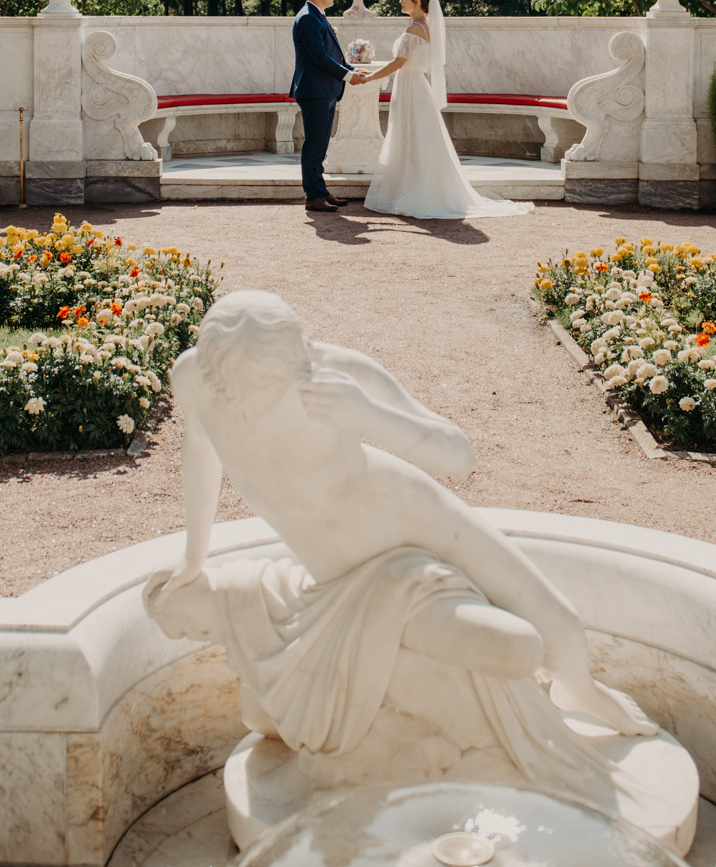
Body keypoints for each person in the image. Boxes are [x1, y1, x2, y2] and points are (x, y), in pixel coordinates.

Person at [155, 290, 652, 739]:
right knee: (519, 647)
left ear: (297, 357)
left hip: (408, 513)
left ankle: (583, 691)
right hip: (341, 571)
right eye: (246, 386)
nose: (260, 399)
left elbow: (460, 457)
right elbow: (199, 451)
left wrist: (366, 414)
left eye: (272, 381)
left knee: (557, 622)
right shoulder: (195, 380)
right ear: (215, 370)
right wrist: (193, 555)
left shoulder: (334, 375)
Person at [355, 0, 532, 219]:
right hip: (415, 85)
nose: (401, 1)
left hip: (411, 87)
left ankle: (416, 191)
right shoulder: (424, 26)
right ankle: (412, 187)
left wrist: (369, 78)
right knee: (415, 137)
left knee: (412, 136)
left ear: (417, 1)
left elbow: (398, 63)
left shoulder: (415, 29)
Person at [289, 0, 354, 214]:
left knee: (321, 144)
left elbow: (331, 53)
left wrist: (351, 69)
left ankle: (321, 190)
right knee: (314, 144)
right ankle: (312, 195)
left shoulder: (318, 15)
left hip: (325, 90)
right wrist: (347, 75)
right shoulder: (307, 18)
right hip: (315, 91)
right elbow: (318, 56)